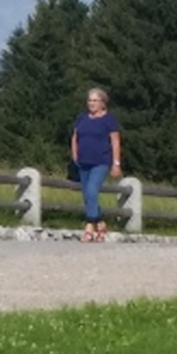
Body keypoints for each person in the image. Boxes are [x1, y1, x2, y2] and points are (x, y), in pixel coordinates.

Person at [70, 88, 122, 242]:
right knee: (87, 195)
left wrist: (116, 163)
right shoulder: (82, 118)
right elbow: (75, 137)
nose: (91, 103)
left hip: (101, 162)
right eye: (89, 100)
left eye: (95, 101)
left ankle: (89, 227)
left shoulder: (109, 120)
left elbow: (115, 141)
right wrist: (75, 155)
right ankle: (100, 223)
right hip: (83, 161)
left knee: (92, 190)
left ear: (102, 103)